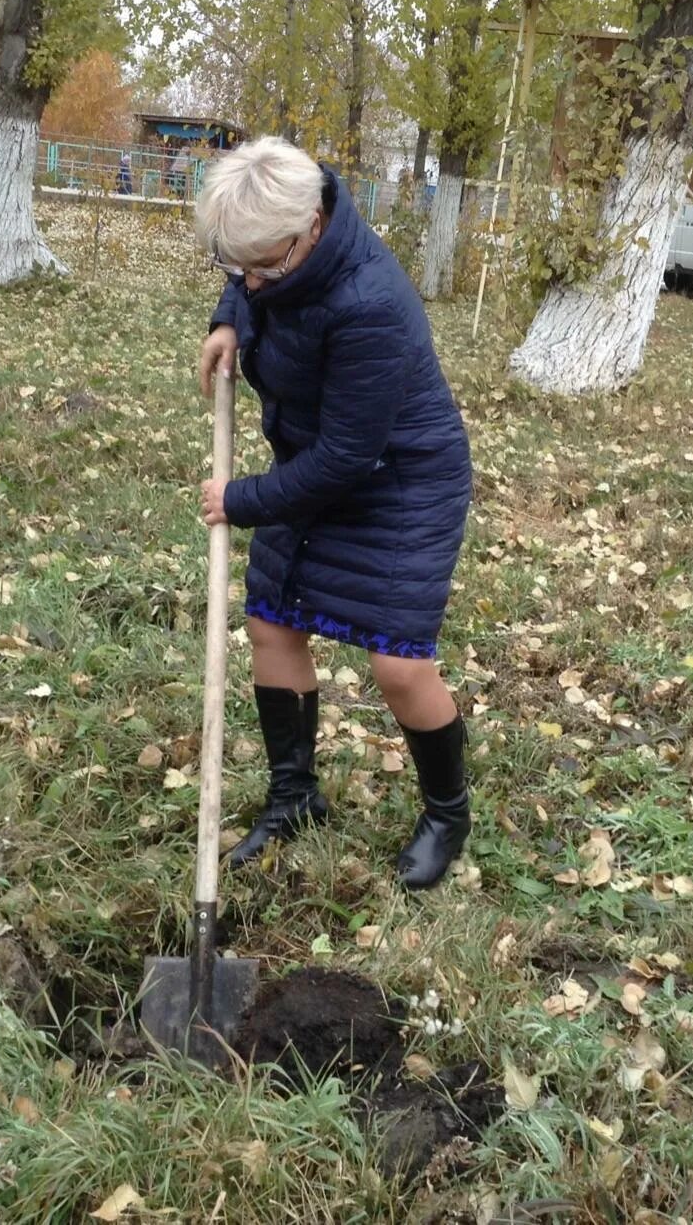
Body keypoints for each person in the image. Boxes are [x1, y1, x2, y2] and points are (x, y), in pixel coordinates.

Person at [195, 137, 475, 891]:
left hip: (401, 479)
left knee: (399, 663)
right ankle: (295, 799)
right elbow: (246, 276)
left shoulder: (370, 302)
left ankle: (447, 814)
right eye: (237, 265)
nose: (250, 280)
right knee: (272, 623)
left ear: (312, 227)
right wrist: (229, 318)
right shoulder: (276, 248)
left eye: (263, 265)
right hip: (315, 461)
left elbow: (348, 460)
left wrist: (242, 500)